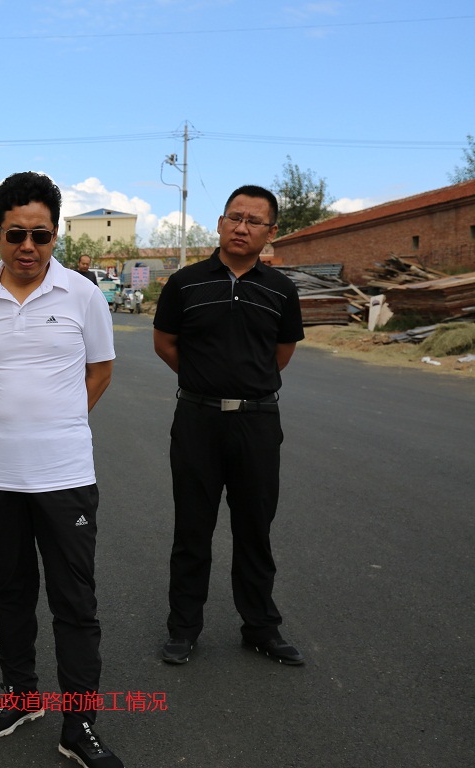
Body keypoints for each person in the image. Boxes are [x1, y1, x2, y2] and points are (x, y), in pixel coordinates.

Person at [0, 171, 123, 768]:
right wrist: (12, 421)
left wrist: (58, 421)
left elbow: (100, 370)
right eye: (16, 234)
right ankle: (21, 695)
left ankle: (80, 725)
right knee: (11, 592)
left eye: (41, 235)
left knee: (75, 601)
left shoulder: (82, 295)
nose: (28, 246)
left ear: (55, 236)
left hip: (66, 476)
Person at [153, 184, 305, 667]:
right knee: (192, 529)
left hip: (257, 423)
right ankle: (183, 629)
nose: (242, 227)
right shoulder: (185, 283)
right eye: (234, 217)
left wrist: (246, 386)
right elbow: (165, 343)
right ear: (220, 223)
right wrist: (205, 381)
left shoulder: (281, 290)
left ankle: (260, 627)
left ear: (270, 233)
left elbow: (281, 352)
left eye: (254, 221)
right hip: (197, 420)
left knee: (255, 529)